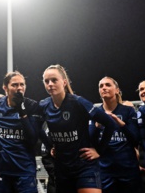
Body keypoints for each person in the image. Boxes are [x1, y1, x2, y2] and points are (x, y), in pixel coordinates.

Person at [39, 64, 117, 193]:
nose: (50, 84)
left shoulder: (78, 102)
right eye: (46, 81)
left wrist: (99, 150)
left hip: (84, 165)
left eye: (54, 80)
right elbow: (36, 128)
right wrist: (49, 146)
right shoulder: (43, 105)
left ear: (64, 82)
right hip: (62, 168)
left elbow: (110, 123)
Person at [0, 71, 40, 193]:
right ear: (5, 88)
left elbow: (33, 139)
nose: (19, 88)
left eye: (22, 84)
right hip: (1, 169)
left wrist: (22, 112)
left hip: (24, 170)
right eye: (14, 85)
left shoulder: (32, 106)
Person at [91, 76, 141, 193]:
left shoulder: (128, 111)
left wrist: (121, 124)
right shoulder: (95, 113)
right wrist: (97, 127)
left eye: (108, 85)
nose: (104, 88)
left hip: (128, 169)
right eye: (101, 86)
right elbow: (91, 142)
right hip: (105, 171)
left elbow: (136, 140)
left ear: (117, 90)